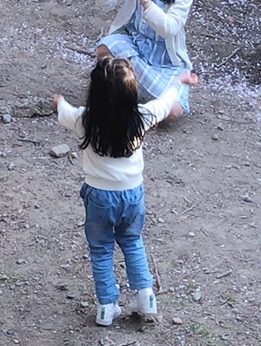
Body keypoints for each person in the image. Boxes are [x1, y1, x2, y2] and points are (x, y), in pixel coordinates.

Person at [56, 55, 177, 327]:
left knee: (100, 250)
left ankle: (106, 307)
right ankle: (146, 298)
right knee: (132, 241)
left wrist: (59, 101)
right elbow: (164, 103)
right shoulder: (141, 118)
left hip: (99, 196)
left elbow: (64, 111)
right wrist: (177, 83)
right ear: (131, 92)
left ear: (95, 93)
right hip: (133, 194)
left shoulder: (85, 119)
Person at [93, 0, 198, 115]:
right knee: (104, 50)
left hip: (165, 58)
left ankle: (136, 108)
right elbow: (106, 4)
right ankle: (122, 95)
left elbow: (169, 28)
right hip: (134, 42)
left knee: (174, 111)